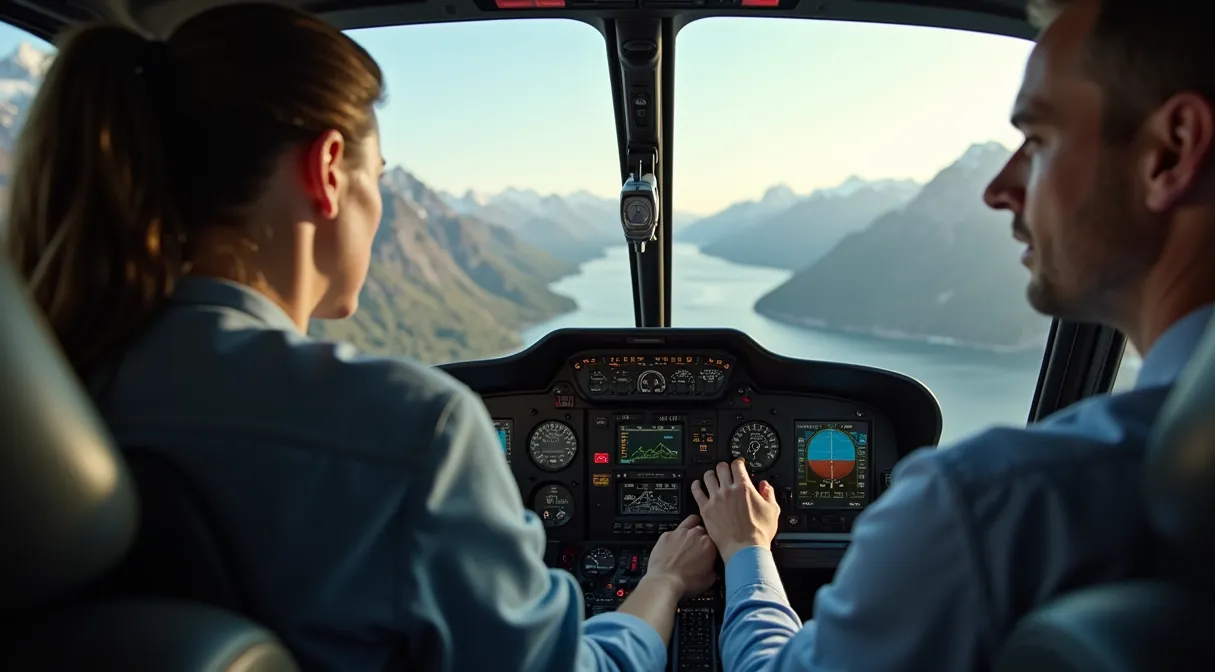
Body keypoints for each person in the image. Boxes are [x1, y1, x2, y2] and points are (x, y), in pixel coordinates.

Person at [3, 4, 717, 671]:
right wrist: (662, 583)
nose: (379, 207)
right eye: (377, 178)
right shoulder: (412, 432)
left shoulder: (35, 407)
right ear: (325, 171)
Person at [690, 1, 1215, 670]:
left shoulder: (987, 507)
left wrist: (747, 551)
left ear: (1170, 152)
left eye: (1038, 140)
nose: (997, 188)